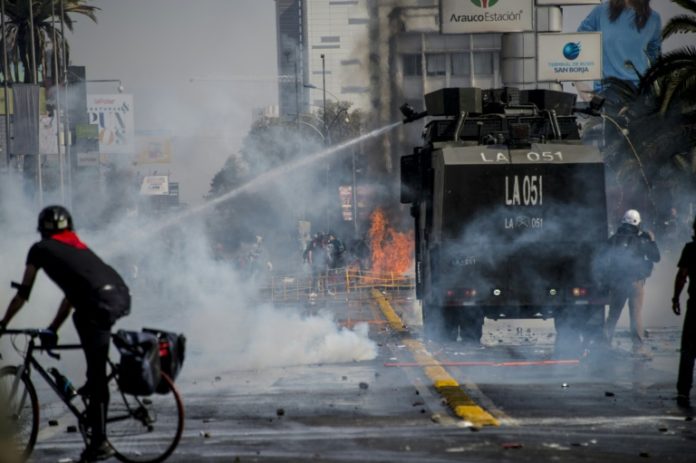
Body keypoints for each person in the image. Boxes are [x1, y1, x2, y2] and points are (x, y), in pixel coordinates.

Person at [0, 205, 131, 462]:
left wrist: (4, 322)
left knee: (96, 371)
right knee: (80, 319)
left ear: (41, 228)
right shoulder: (77, 246)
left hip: (99, 304)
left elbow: (23, 294)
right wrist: (52, 329)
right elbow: (74, 295)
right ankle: (94, 395)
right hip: (119, 296)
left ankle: (100, 440)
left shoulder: (40, 250)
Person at [604, 209, 660, 356]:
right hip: (636, 283)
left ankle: (604, 344)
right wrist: (652, 241)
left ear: (623, 221)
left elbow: (602, 259)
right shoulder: (643, 240)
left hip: (618, 283)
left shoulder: (613, 239)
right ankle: (638, 348)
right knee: (636, 315)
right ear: (637, 223)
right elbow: (656, 257)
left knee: (613, 315)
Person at [576, 0, 661, 98]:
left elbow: (655, 58)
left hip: (639, 93)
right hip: (607, 91)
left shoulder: (654, 18)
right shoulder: (601, 11)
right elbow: (578, 41)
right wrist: (579, 82)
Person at [672, 216, 696, 408]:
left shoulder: (691, 249)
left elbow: (682, 276)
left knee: (688, 349)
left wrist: (676, 298)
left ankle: (683, 391)